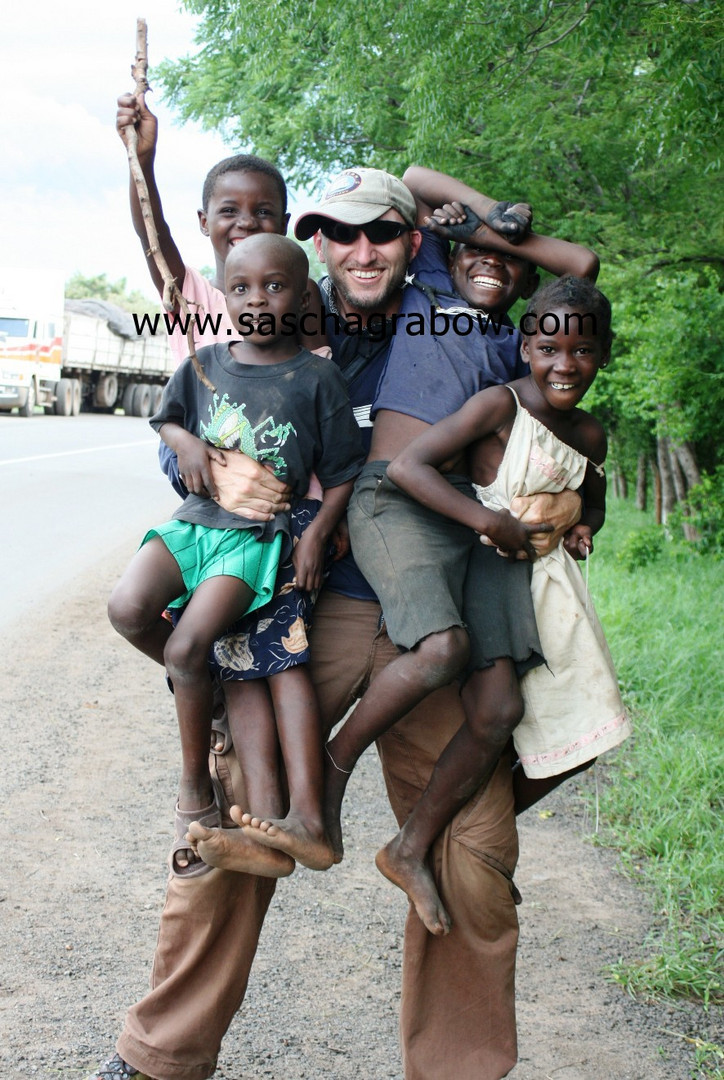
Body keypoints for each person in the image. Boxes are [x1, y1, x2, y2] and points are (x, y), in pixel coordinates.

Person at [88, 167, 586, 1080]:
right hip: (311, 608)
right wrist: (207, 475)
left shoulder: (457, 312)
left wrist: (572, 508)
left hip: (435, 608)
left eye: (383, 235)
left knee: (472, 849)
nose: (363, 252)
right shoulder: (286, 311)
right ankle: (161, 1057)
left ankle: (459, 1068)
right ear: (317, 243)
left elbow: (556, 419)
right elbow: (210, 407)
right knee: (242, 814)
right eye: (341, 235)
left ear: (414, 242)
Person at [311, 170, 599, 932]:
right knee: (443, 652)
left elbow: (582, 269)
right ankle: (331, 776)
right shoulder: (433, 292)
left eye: (509, 265)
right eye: (477, 255)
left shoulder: (520, 348)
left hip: (463, 517)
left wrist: (575, 513)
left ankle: (426, 839)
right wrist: (484, 221)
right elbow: (413, 179)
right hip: (395, 499)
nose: (491, 268)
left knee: (498, 705)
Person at [367, 275, 632, 932]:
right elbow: (409, 468)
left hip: (550, 589)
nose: (564, 365)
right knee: (498, 711)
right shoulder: (499, 406)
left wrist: (582, 525)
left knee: (590, 733)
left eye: (583, 352)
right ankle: (423, 845)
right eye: (549, 348)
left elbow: (592, 498)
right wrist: (487, 523)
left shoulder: (592, 435)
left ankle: (458, 841)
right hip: (486, 568)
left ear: (604, 354)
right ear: (525, 347)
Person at [108, 234, 365, 877]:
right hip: (196, 522)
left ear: (303, 294)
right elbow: (166, 422)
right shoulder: (203, 365)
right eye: (242, 287)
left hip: (257, 539)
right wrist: (185, 445)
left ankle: (196, 794)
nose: (257, 300)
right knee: (127, 607)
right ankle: (211, 695)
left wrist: (314, 533)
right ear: (224, 292)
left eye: (275, 287)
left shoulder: (317, 377)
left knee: (189, 647)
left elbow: (341, 475)